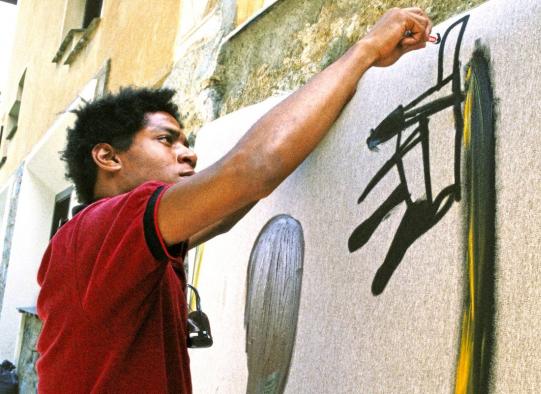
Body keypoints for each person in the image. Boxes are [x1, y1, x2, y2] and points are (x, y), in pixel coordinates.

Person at [36, 7, 432, 393]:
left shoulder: (110, 247)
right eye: (166, 140)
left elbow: (225, 211)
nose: (188, 153)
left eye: (186, 142)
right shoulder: (101, 227)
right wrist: (365, 51)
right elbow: (252, 170)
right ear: (108, 157)